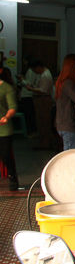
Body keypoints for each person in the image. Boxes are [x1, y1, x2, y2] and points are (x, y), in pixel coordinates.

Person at [55, 54, 75, 150]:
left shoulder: (64, 81)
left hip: (64, 123)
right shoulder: (69, 82)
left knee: (70, 153)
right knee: (70, 156)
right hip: (68, 124)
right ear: (71, 66)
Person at [24, 60, 55, 150]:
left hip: (43, 100)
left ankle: (45, 143)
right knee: (42, 121)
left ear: (38, 67)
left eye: (34, 70)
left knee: (43, 122)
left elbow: (43, 90)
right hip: (41, 99)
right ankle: (48, 140)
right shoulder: (42, 75)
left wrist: (30, 89)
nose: (34, 72)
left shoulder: (45, 75)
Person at [0, 60, 18, 190]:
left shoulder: (6, 87)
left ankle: (12, 176)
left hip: (4, 128)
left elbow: (12, 107)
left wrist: (6, 116)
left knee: (5, 155)